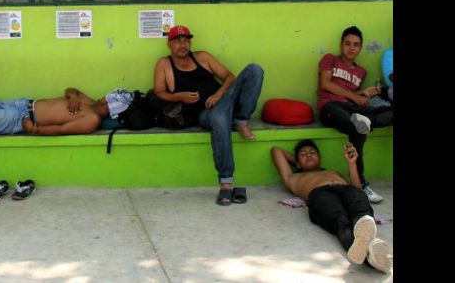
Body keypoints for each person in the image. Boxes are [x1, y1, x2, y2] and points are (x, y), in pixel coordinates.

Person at [152, 25, 264, 206]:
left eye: (186, 40)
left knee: (254, 70)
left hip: (224, 100)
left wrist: (218, 95)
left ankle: (241, 119)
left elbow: (229, 76)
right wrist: (179, 97)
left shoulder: (202, 57)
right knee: (219, 118)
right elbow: (159, 92)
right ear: (169, 44)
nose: (183, 44)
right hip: (206, 114)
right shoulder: (164, 64)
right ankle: (226, 183)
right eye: (178, 41)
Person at [270, 140, 392, 274]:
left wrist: (351, 164)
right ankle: (372, 255)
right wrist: (299, 163)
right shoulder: (293, 177)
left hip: (346, 189)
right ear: (297, 162)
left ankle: (370, 247)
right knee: (341, 222)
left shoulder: (333, 172)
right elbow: (276, 151)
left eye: (312, 153)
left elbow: (357, 189)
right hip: (319, 194)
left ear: (320, 158)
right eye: (304, 154)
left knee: (361, 213)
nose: (309, 155)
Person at [317, 26, 393, 203]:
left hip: (352, 108)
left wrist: (363, 94)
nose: (351, 48)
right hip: (330, 107)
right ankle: (361, 185)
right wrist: (355, 98)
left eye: (356, 45)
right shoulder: (329, 59)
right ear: (341, 45)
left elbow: (351, 97)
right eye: (348, 44)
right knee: (358, 128)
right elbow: (326, 84)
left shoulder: (361, 72)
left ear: (360, 48)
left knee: (363, 123)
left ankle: (366, 122)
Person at [0, 87, 122, 136]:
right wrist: (73, 96)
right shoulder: (90, 102)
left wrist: (34, 129)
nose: (104, 98)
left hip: (22, 119)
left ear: (111, 110)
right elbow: (71, 89)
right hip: (24, 103)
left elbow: (62, 129)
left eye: (108, 100)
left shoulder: (92, 119)